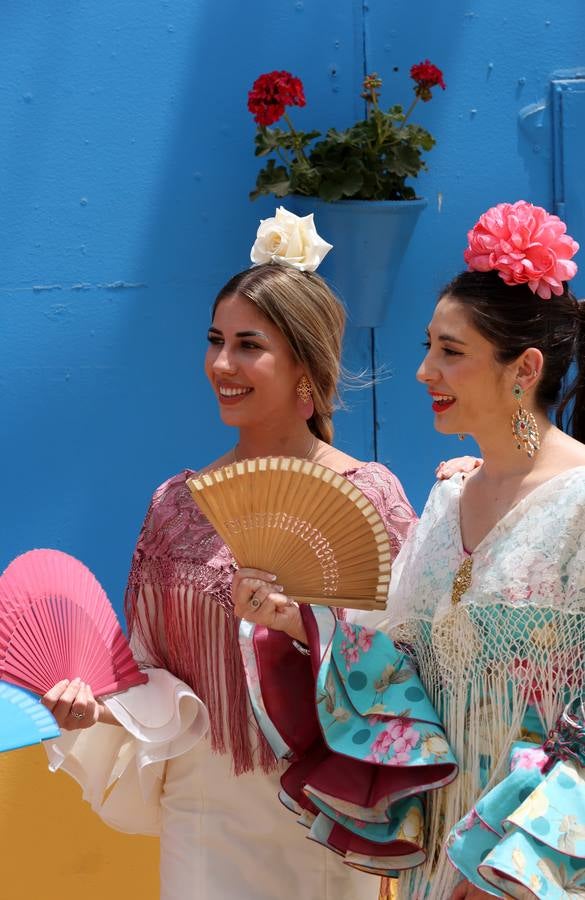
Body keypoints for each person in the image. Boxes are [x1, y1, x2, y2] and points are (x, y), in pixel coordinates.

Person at [40, 208, 477, 900]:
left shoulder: (368, 494)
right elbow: (148, 671)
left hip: (323, 808)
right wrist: (93, 705)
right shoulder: (175, 505)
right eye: (215, 340)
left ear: (305, 364)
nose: (221, 364)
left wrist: (302, 629)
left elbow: (407, 664)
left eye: (249, 345)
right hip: (204, 809)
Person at [366, 200, 585, 899]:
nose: (424, 371)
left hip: (531, 867)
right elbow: (397, 668)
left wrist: (510, 856)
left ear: (522, 368)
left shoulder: (579, 502)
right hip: (439, 861)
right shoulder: (442, 503)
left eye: (450, 352)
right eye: (427, 346)